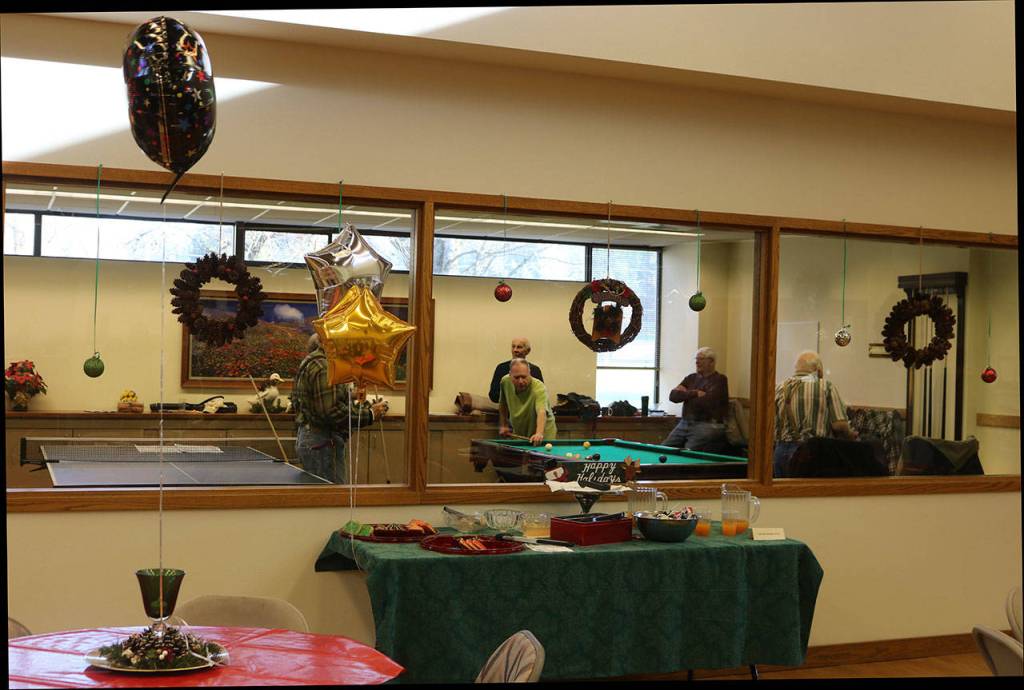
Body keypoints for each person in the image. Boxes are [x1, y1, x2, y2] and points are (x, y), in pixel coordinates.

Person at [291, 333, 389, 483]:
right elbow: (332, 412)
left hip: (315, 440)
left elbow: (319, 400)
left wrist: (349, 395)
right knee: (330, 500)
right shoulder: (326, 367)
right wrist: (370, 414)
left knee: (322, 498)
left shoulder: (314, 361)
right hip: (322, 443)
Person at [773, 350, 858, 477]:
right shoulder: (826, 386)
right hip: (811, 454)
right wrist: (851, 434)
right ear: (818, 369)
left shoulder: (779, 388)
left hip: (780, 452)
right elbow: (839, 425)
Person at [661, 347, 729, 452]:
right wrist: (695, 393)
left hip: (708, 424)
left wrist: (685, 395)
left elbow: (707, 402)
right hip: (685, 422)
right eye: (696, 359)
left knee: (689, 452)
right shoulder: (691, 378)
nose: (697, 362)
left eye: (701, 359)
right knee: (663, 449)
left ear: (711, 362)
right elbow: (673, 396)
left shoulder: (720, 380)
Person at [498, 358, 557, 446]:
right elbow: (503, 404)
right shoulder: (505, 382)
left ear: (529, 374)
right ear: (510, 375)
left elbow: (541, 411)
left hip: (543, 435)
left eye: (524, 377)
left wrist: (539, 433)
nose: (521, 381)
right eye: (516, 377)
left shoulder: (539, 387)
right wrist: (504, 425)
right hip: (521, 432)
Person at [488, 337, 544, 403]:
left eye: (519, 347)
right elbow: (493, 395)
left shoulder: (535, 370)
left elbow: (541, 395)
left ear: (528, 351)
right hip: (506, 409)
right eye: (513, 346)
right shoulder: (501, 368)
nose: (515, 350)